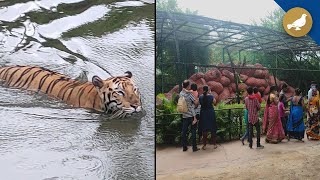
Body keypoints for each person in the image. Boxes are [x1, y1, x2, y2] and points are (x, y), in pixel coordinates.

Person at [180, 80, 200, 152]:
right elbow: (195, 103)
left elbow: (183, 89)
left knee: (184, 132)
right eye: (189, 85)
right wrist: (198, 99)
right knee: (193, 131)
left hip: (184, 115)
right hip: (192, 116)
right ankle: (194, 147)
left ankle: (184, 147)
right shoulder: (190, 95)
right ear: (188, 86)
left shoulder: (181, 93)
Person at [199, 86, 218, 150]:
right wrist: (211, 94)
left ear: (203, 90)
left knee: (204, 130)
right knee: (213, 128)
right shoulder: (211, 96)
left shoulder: (200, 97)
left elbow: (197, 104)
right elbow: (215, 103)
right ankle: (215, 144)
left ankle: (204, 145)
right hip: (210, 113)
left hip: (203, 114)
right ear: (208, 90)